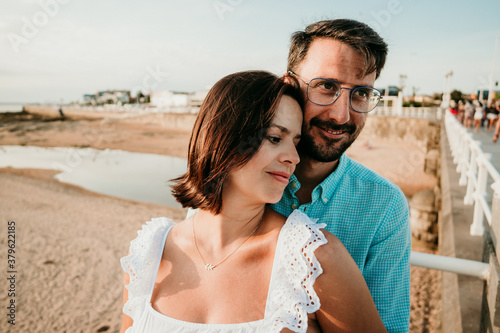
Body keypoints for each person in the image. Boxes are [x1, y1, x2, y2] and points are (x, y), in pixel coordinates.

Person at [120, 70, 386, 332]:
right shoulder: (149, 253)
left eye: (296, 142)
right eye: (274, 138)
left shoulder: (312, 259)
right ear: (223, 138)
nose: (293, 157)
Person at [270, 19, 411, 332]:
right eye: (327, 86)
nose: (341, 115)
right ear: (289, 84)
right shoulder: (235, 177)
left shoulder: (384, 207)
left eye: (361, 93)